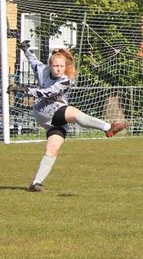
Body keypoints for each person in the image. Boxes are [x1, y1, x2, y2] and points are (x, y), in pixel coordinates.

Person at [9, 41, 128, 192]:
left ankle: (36, 183)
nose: (58, 69)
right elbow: (34, 62)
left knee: (52, 149)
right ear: (50, 65)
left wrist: (25, 89)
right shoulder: (42, 70)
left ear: (65, 67)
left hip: (54, 119)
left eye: (61, 66)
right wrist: (26, 50)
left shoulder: (65, 81)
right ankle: (107, 127)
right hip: (46, 109)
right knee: (74, 112)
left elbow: (49, 92)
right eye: (55, 66)